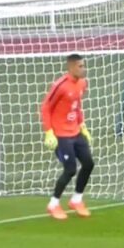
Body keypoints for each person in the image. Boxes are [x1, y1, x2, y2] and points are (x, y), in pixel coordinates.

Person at [40, 53, 95, 220]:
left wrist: (82, 125)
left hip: (75, 132)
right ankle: (53, 204)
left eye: (83, 66)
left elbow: (77, 106)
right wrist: (49, 131)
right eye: (80, 66)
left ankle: (76, 199)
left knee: (88, 163)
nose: (83, 69)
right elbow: (46, 108)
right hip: (61, 135)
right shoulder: (60, 85)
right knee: (70, 170)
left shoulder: (82, 84)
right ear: (71, 67)